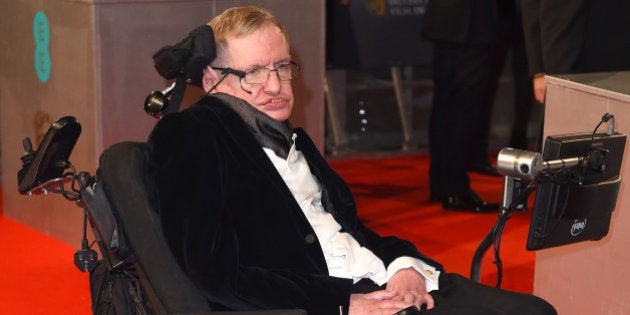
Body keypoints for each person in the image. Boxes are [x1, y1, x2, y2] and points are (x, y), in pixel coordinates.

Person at [147, 6, 557, 315]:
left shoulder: (293, 139)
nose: (274, 85)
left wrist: (406, 267)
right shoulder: (192, 134)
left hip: (382, 284)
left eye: (282, 67)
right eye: (252, 73)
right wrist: (345, 301)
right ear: (210, 79)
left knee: (536, 310)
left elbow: (351, 231)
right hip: (331, 301)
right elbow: (214, 275)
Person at [421, 0, 501, 212]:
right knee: (462, 107)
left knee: (445, 105)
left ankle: (442, 184)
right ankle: (454, 189)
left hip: (448, 21)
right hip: (470, 23)